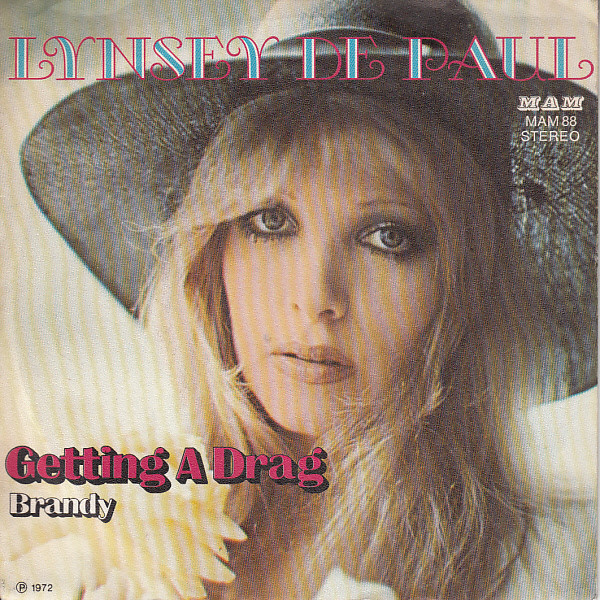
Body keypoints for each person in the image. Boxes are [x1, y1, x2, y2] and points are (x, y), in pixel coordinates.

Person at [16, 1, 597, 598]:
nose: (315, 299)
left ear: (467, 287)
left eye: (388, 238)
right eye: (270, 223)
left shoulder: (569, 564)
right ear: (209, 260)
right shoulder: (99, 535)